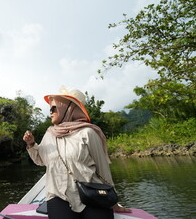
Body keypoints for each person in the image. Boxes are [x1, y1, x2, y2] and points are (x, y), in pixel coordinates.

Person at [23, 86, 131, 219]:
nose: (50, 112)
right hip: (59, 195)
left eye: (53, 108)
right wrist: (31, 144)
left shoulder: (88, 133)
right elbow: (40, 160)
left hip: (92, 191)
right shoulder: (49, 134)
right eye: (49, 109)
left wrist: (112, 200)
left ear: (68, 108)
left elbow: (103, 168)